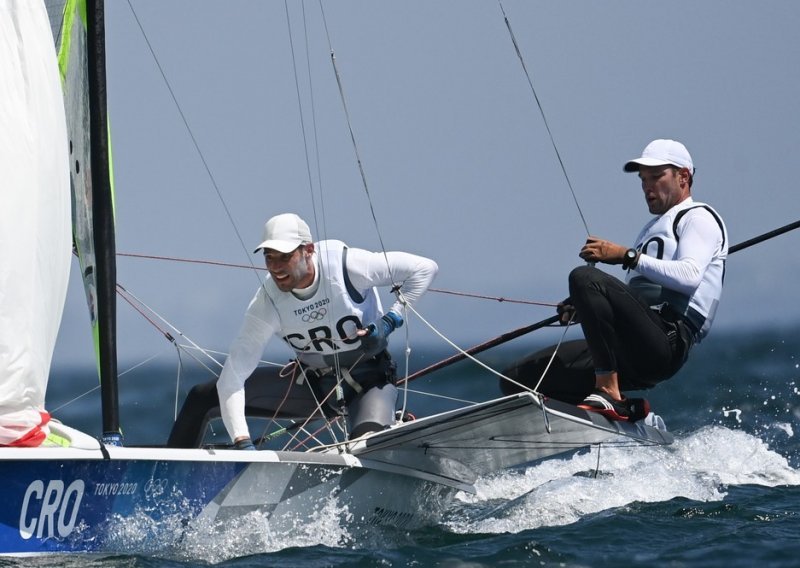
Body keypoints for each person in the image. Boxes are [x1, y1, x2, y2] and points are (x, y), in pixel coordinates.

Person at [167, 213, 438, 448]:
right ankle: (166, 484)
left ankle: (389, 425)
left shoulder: (347, 266)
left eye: (284, 257)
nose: (275, 267)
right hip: (313, 388)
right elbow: (233, 376)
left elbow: (424, 269)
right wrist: (243, 442)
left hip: (369, 382)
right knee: (203, 397)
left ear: (308, 250)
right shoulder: (267, 302)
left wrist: (390, 320)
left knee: (364, 446)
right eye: (269, 257)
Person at [555, 139, 728, 421]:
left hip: (667, 340)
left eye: (656, 177)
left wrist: (627, 256)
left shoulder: (698, 218)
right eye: (643, 179)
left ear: (683, 176)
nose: (647, 187)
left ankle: (608, 393)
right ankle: (624, 409)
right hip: (631, 342)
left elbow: (690, 276)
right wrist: (584, 304)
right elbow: (635, 298)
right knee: (521, 375)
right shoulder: (650, 229)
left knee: (585, 276)